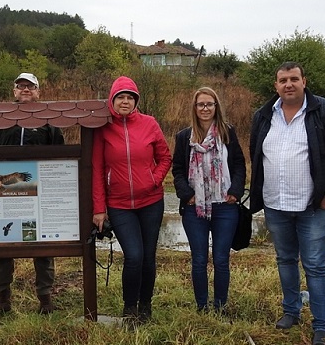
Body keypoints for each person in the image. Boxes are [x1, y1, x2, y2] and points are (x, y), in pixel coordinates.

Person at [249, 61, 325, 345]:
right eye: (283, 80)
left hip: (314, 206)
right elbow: (256, 154)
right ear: (276, 86)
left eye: (294, 79)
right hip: (276, 204)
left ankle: (322, 326)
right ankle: (291, 311)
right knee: (285, 260)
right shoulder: (263, 115)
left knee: (316, 266)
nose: (289, 84)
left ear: (304, 81)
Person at [0, 73, 64, 315]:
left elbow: (61, 156)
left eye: (30, 86)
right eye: (21, 86)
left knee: (43, 244)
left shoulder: (49, 121)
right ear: (14, 91)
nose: (25, 90)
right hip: (5, 196)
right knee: (2, 243)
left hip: (39, 194)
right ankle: (3, 297)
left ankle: (45, 298)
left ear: (39, 91)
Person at [92, 76, 172, 324]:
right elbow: (96, 169)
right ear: (112, 100)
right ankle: (130, 308)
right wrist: (99, 209)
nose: (125, 101)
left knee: (148, 257)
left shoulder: (150, 124)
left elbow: (165, 158)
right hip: (119, 205)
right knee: (134, 256)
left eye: (130, 97)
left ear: (136, 101)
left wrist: (153, 180)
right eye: (120, 97)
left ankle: (145, 306)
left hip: (151, 203)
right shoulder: (102, 128)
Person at [172, 87, 246, 313]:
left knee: (221, 259)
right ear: (194, 108)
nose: (205, 108)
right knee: (199, 259)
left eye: (209, 104)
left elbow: (239, 164)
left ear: (216, 107)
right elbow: (177, 169)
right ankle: (202, 306)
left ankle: (221, 305)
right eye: (200, 104)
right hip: (195, 208)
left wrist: (236, 190)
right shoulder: (185, 137)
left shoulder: (227, 133)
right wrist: (188, 195)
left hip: (225, 206)